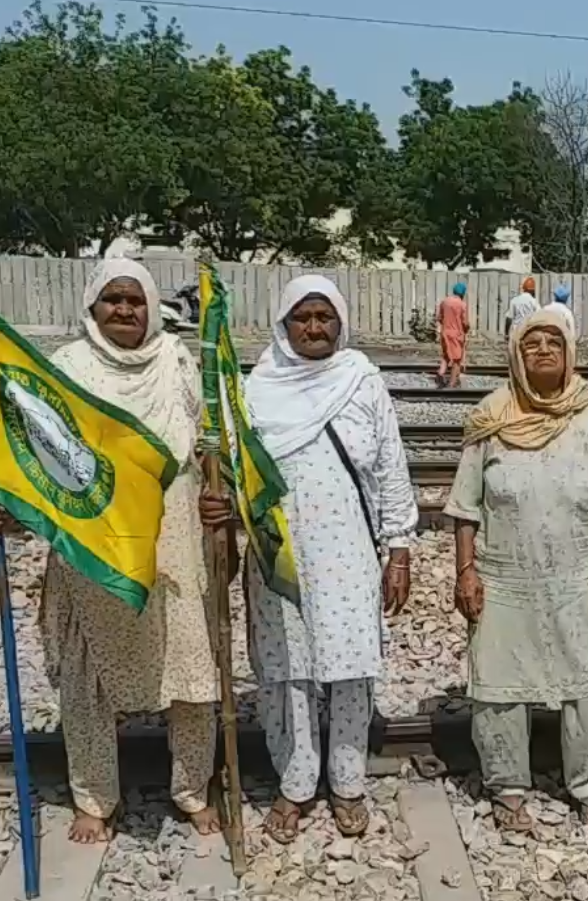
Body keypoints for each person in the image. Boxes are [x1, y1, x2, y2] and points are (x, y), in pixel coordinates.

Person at [0, 259, 223, 843]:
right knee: (88, 678)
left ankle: (192, 788)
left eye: (135, 300)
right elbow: (36, 454)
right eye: (112, 299)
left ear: (152, 306)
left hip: (173, 535)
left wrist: (222, 498)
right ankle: (94, 797)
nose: (125, 310)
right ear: (91, 306)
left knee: (190, 668)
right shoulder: (65, 369)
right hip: (95, 534)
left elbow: (209, 443)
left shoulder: (180, 363)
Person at [242, 274, 417, 842]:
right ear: (284, 323)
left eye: (324, 317)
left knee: (350, 669)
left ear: (340, 323)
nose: (314, 328)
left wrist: (400, 550)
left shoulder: (361, 381)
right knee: (286, 671)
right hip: (279, 555)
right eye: (303, 317)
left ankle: (346, 783)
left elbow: (391, 467)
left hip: (349, 553)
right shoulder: (256, 387)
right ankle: (294, 785)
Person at [446, 305, 588, 833]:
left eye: (553, 342)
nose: (543, 351)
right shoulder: (491, 416)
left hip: (580, 569)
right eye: (532, 344)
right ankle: (507, 788)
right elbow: (465, 505)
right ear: (516, 355)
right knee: (499, 685)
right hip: (504, 574)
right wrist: (466, 570)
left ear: (569, 352)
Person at [438, 282, 471, 388]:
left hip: (445, 332)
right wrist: (467, 329)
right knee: (457, 359)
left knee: (446, 355)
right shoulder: (462, 304)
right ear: (463, 293)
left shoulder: (444, 302)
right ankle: (452, 383)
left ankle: (440, 373)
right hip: (456, 334)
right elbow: (465, 323)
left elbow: (439, 318)